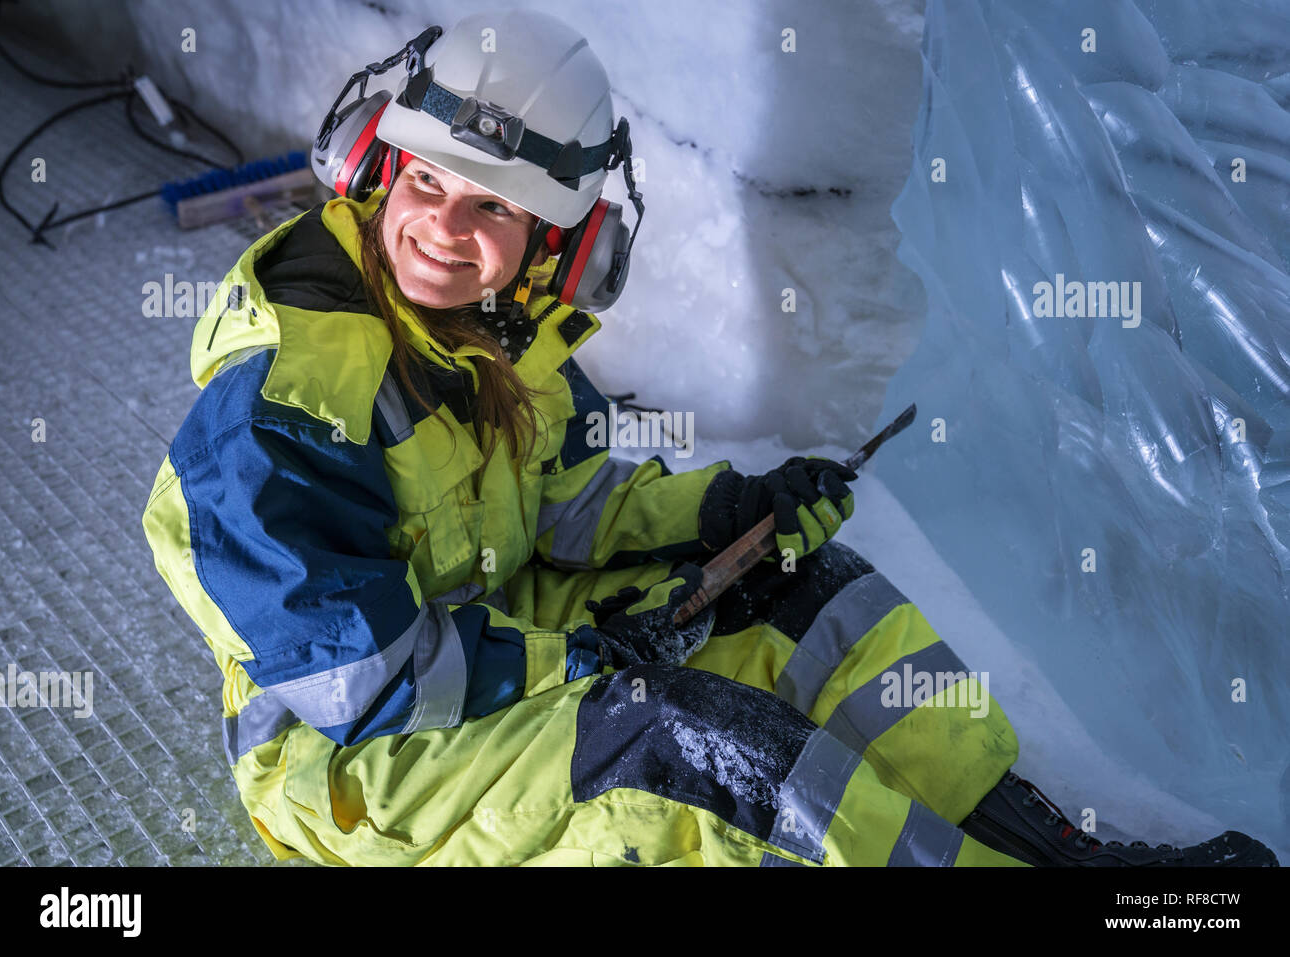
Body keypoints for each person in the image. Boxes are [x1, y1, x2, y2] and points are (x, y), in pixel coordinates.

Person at [141, 10, 1278, 867]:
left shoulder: (506, 335)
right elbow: (360, 678)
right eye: (427, 184)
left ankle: (1048, 852)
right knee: (691, 748)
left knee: (818, 596)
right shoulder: (281, 407)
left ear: (556, 242)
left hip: (496, 627)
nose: (442, 229)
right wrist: (592, 666)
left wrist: (731, 511)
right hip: (358, 760)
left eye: (492, 207)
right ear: (375, 169)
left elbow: (571, 507)